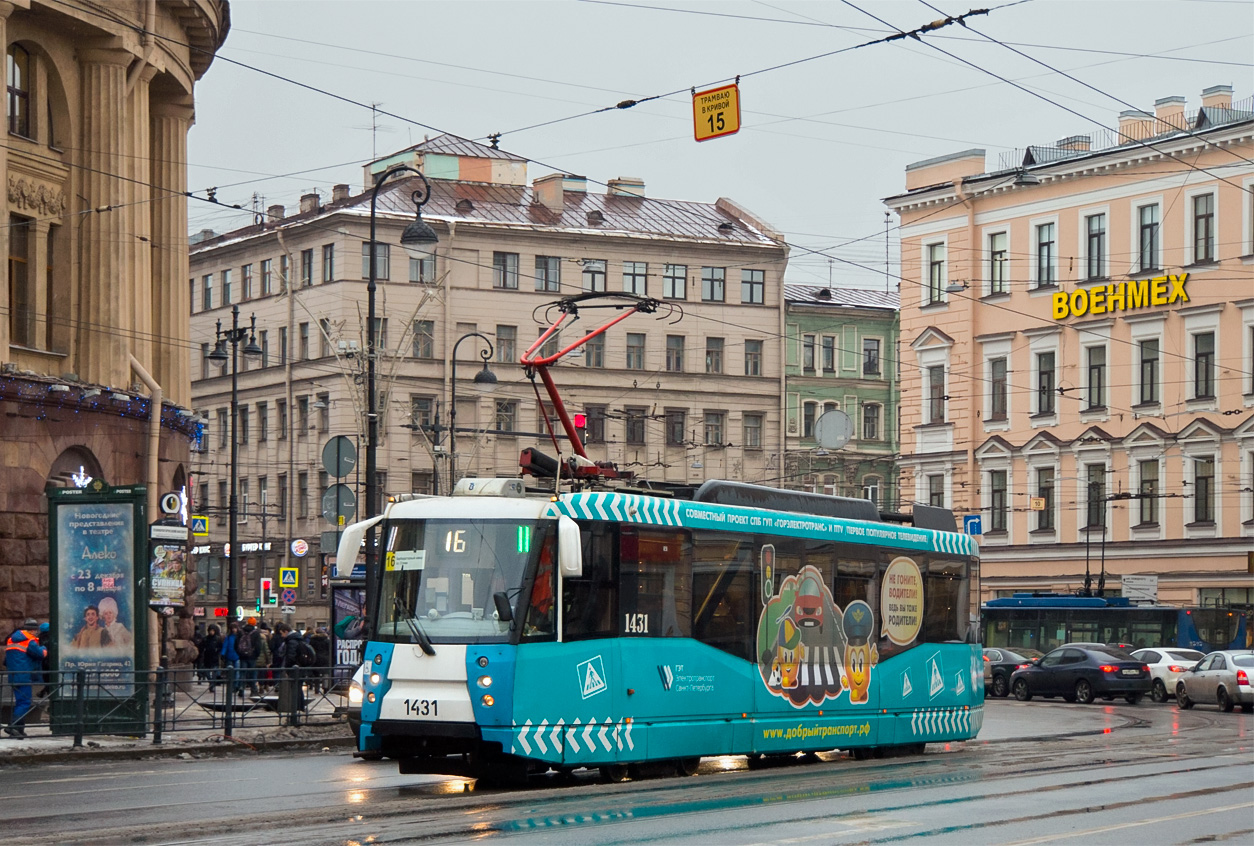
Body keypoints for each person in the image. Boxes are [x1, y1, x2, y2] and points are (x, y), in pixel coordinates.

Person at [5, 619, 48, 738]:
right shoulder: (29, 640)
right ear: (33, 630)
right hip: (24, 675)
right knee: (24, 702)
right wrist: (44, 648)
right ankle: (12, 726)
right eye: (36, 631)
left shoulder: (12, 639)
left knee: (21, 702)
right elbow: (40, 654)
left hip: (13, 675)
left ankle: (19, 730)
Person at [310, 627, 332, 692]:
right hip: (325, 658)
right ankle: (325, 688)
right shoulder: (327, 640)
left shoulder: (312, 640)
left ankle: (316, 689)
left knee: (316, 674)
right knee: (325, 674)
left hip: (315, 658)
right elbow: (329, 649)